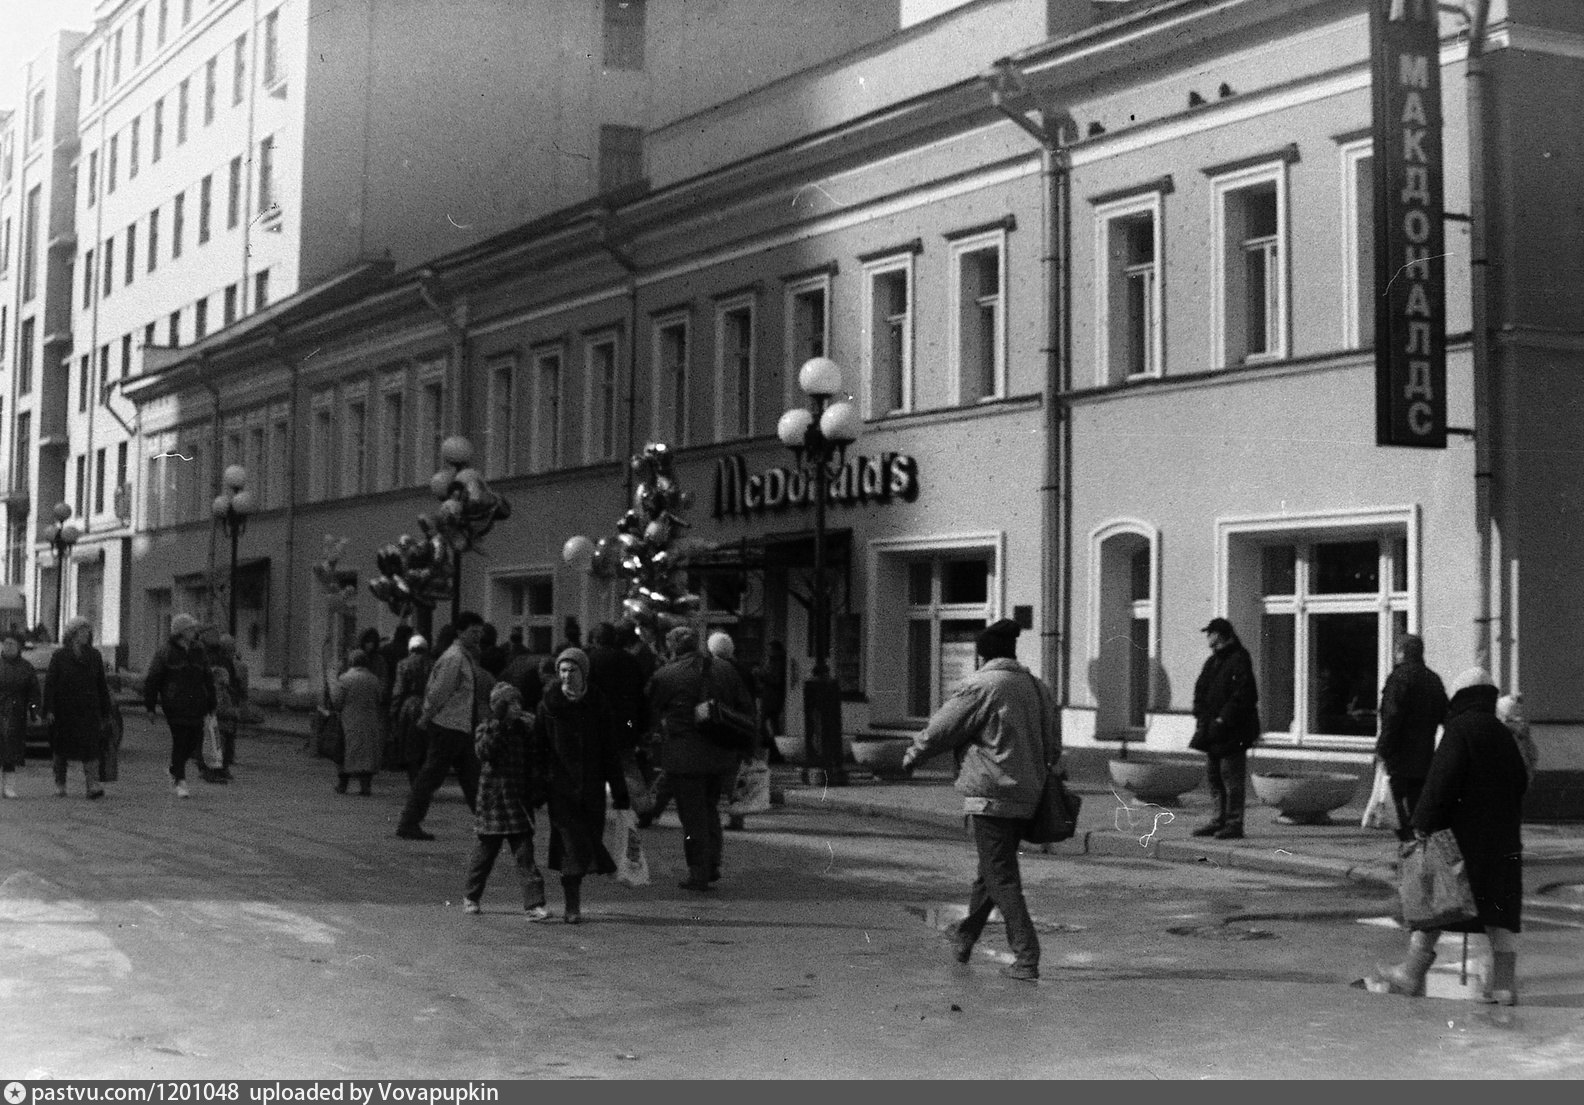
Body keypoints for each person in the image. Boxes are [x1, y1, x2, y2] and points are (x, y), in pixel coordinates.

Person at [899, 618, 1056, 983]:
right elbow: (1053, 745)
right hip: (1028, 795)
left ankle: (1026, 957)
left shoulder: (982, 686)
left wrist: (911, 756)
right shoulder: (1037, 688)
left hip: (990, 795)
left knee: (1000, 875)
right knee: (990, 873)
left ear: (982, 655)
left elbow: (941, 729)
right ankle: (965, 938)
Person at [1367, 668, 1528, 1005]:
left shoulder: (1460, 730)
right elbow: (1521, 782)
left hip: (1462, 840)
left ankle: (1410, 973)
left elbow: (1441, 781)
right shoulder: (1502, 733)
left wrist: (1422, 822)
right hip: (1502, 840)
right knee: (1499, 912)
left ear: (1460, 697)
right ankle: (1504, 987)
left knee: (1437, 903)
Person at [646, 625, 751, 891]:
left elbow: (649, 710)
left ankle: (699, 871)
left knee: (692, 817)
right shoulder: (725, 669)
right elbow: (746, 707)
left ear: (672, 647)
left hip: (684, 756)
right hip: (719, 752)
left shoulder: (667, 674)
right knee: (710, 808)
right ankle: (712, 863)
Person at [534, 647, 630, 923]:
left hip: (591, 788)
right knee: (570, 846)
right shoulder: (548, 706)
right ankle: (572, 906)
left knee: (587, 843)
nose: (566, 676)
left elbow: (609, 750)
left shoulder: (598, 704)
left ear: (583, 672)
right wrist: (538, 786)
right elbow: (538, 748)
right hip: (561, 788)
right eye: (562, 670)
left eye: (572, 670)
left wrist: (619, 790)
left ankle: (576, 896)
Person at [396, 612, 493, 840]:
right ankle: (409, 822)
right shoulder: (455, 658)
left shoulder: (462, 656)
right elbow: (439, 691)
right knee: (432, 777)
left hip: (459, 726)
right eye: (473, 632)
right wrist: (426, 716)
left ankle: (489, 823)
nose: (477, 636)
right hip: (448, 726)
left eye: (479, 632)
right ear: (460, 632)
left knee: (471, 777)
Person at [464, 683, 549, 919]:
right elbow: (484, 751)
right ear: (498, 707)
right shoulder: (487, 728)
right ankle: (471, 896)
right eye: (510, 704)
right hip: (494, 803)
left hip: (518, 801)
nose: (517, 707)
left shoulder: (524, 728)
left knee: (525, 856)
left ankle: (534, 904)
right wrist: (499, 725)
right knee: (484, 855)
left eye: (518, 702)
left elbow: (534, 757)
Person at [1189, 617, 1261, 840]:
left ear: (1220, 635)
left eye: (1210, 634)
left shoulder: (1239, 658)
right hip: (1212, 730)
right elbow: (1200, 688)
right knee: (1214, 777)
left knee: (1231, 778)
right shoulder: (1213, 661)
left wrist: (1223, 719)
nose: (1208, 638)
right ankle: (1217, 820)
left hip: (1233, 731)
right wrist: (1200, 713)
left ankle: (1233, 823)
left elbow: (1245, 694)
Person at [1375, 633, 1449, 843]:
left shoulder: (1399, 678)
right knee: (1418, 804)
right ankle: (1421, 841)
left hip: (1399, 755)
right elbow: (1446, 715)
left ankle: (1409, 843)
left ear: (1402, 652)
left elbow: (1392, 718)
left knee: (1393, 803)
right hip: (1424, 754)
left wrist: (1382, 749)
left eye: (1397, 650)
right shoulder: (1433, 679)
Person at [145, 613, 217, 799]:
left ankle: (174, 769)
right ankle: (180, 781)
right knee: (180, 740)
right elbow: (153, 678)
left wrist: (211, 701)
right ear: (181, 632)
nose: (194, 632)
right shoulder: (166, 651)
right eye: (190, 629)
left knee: (193, 742)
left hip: (197, 703)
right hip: (175, 703)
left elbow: (207, 676)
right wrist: (150, 706)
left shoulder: (199, 650)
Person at [42, 618, 113, 801]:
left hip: (89, 710)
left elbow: (101, 685)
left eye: (87, 631)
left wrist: (106, 711)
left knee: (91, 748)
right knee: (61, 749)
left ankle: (92, 785)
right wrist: (49, 709)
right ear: (72, 634)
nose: (86, 635)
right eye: (82, 631)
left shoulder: (94, 656)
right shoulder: (60, 656)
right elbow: (50, 684)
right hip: (65, 710)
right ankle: (60, 784)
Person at [707, 630, 761, 832]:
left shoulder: (713, 669)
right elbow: (752, 699)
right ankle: (737, 816)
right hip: (741, 726)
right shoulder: (743, 670)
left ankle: (714, 814)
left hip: (721, 725)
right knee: (735, 773)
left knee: (719, 772)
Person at [330, 650, 385, 796]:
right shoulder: (374, 679)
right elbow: (379, 698)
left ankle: (343, 785)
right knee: (367, 753)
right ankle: (365, 786)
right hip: (370, 720)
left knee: (343, 750)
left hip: (348, 720)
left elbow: (336, 701)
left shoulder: (345, 679)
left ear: (351, 662)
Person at [0, 629, 41, 799]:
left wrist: (34, 711)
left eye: (12, 644)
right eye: (6, 643)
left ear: (19, 647)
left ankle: (9, 787)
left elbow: (33, 693)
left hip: (16, 714)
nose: (8, 647)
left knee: (10, 752)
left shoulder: (26, 668)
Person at [389, 634, 435, 784]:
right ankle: (425, 781)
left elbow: (399, 690)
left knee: (411, 747)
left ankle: (415, 782)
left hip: (409, 706)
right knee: (427, 746)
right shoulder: (433, 664)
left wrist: (393, 711)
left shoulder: (403, 664)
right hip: (429, 705)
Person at [1495, 693, 1540, 784]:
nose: (1519, 710)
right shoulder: (1504, 730)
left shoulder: (1522, 728)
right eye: (1516, 708)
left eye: (1519, 707)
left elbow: (1531, 752)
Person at [757, 640, 788, 765]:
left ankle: (772, 751)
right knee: (773, 726)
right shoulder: (775, 661)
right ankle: (776, 753)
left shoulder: (776, 661)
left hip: (772, 698)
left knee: (764, 725)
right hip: (772, 697)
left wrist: (761, 675)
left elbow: (775, 680)